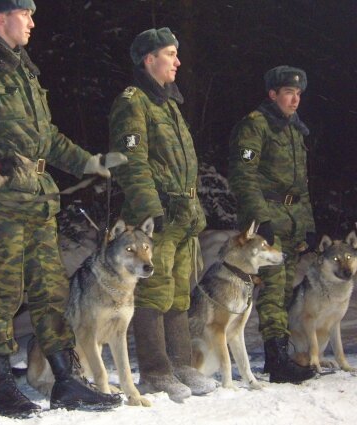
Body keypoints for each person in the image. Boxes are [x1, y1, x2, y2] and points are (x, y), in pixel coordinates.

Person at [0, 0, 126, 417]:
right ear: (1, 17)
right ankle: (1, 385)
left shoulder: (24, 70)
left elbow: (48, 139)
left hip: (39, 198)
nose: (34, 22)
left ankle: (65, 380)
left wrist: (87, 162)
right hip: (3, 198)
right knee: (3, 293)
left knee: (50, 292)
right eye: (26, 14)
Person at [108, 27, 216, 403]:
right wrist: (149, 207)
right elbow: (130, 160)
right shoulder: (133, 101)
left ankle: (181, 364)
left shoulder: (168, 103)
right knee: (153, 293)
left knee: (179, 291)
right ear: (148, 58)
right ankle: (155, 371)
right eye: (171, 53)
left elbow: (181, 163)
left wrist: (193, 208)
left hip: (181, 214)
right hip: (157, 215)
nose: (178, 61)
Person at [228, 65, 316, 384]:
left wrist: (307, 225)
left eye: (298, 94)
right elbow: (243, 175)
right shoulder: (256, 125)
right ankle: (277, 360)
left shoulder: (295, 130)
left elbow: (301, 185)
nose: (295, 100)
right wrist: (260, 219)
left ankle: (278, 356)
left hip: (291, 219)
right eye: (289, 93)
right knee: (272, 288)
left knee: (284, 290)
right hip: (267, 217)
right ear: (273, 94)